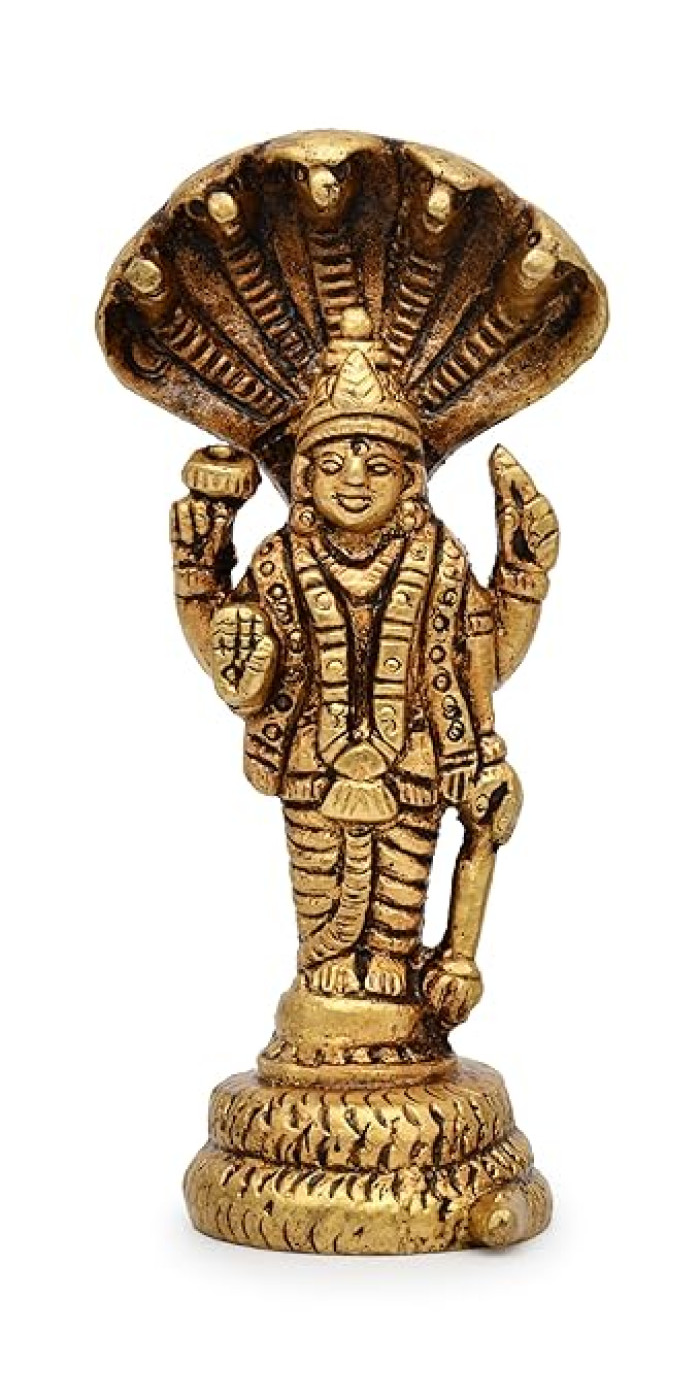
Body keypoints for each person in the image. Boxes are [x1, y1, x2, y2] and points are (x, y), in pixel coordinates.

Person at [167, 310, 558, 1033]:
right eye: (333, 466)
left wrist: (523, 573)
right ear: (305, 477)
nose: (354, 482)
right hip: (311, 760)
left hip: (416, 758)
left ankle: (391, 972)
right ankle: (327, 976)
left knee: (397, 900)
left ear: (409, 480)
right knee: (322, 896)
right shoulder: (280, 561)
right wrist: (197, 570)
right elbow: (233, 664)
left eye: (377, 467)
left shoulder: (440, 560)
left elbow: (486, 655)